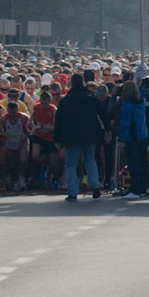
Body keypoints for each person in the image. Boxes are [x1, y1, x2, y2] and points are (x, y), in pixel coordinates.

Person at [54, 73, 104, 202]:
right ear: (83, 83)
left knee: (71, 164)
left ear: (71, 83)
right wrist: (107, 130)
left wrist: (57, 139)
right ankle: (95, 184)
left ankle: (73, 192)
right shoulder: (90, 97)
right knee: (90, 160)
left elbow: (58, 120)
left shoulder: (66, 100)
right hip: (90, 134)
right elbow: (102, 112)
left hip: (72, 136)